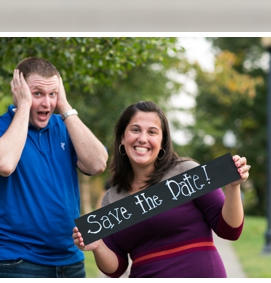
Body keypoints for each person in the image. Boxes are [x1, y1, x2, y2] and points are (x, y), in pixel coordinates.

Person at [73, 101, 250, 277]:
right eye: (135, 130)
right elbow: (117, 268)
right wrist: (98, 246)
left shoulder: (188, 173)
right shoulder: (112, 197)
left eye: (152, 132)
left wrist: (233, 188)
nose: (142, 138)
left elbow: (230, 231)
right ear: (122, 137)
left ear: (163, 140)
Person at [0, 57, 108, 277]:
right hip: (13, 262)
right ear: (19, 91)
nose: (47, 103)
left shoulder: (65, 127)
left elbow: (97, 164)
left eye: (52, 94)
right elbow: (5, 164)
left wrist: (64, 106)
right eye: (37, 94)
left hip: (70, 263)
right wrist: (24, 106)